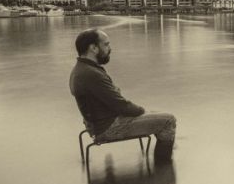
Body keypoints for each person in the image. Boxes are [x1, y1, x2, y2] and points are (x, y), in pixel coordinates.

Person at [69, 28, 176, 162]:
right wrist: (142, 111)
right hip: (108, 127)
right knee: (168, 121)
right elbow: (121, 105)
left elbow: (114, 99)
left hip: (97, 124)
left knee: (157, 114)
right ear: (94, 48)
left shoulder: (81, 69)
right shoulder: (90, 74)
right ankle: (163, 170)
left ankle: (161, 159)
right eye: (106, 44)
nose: (110, 48)